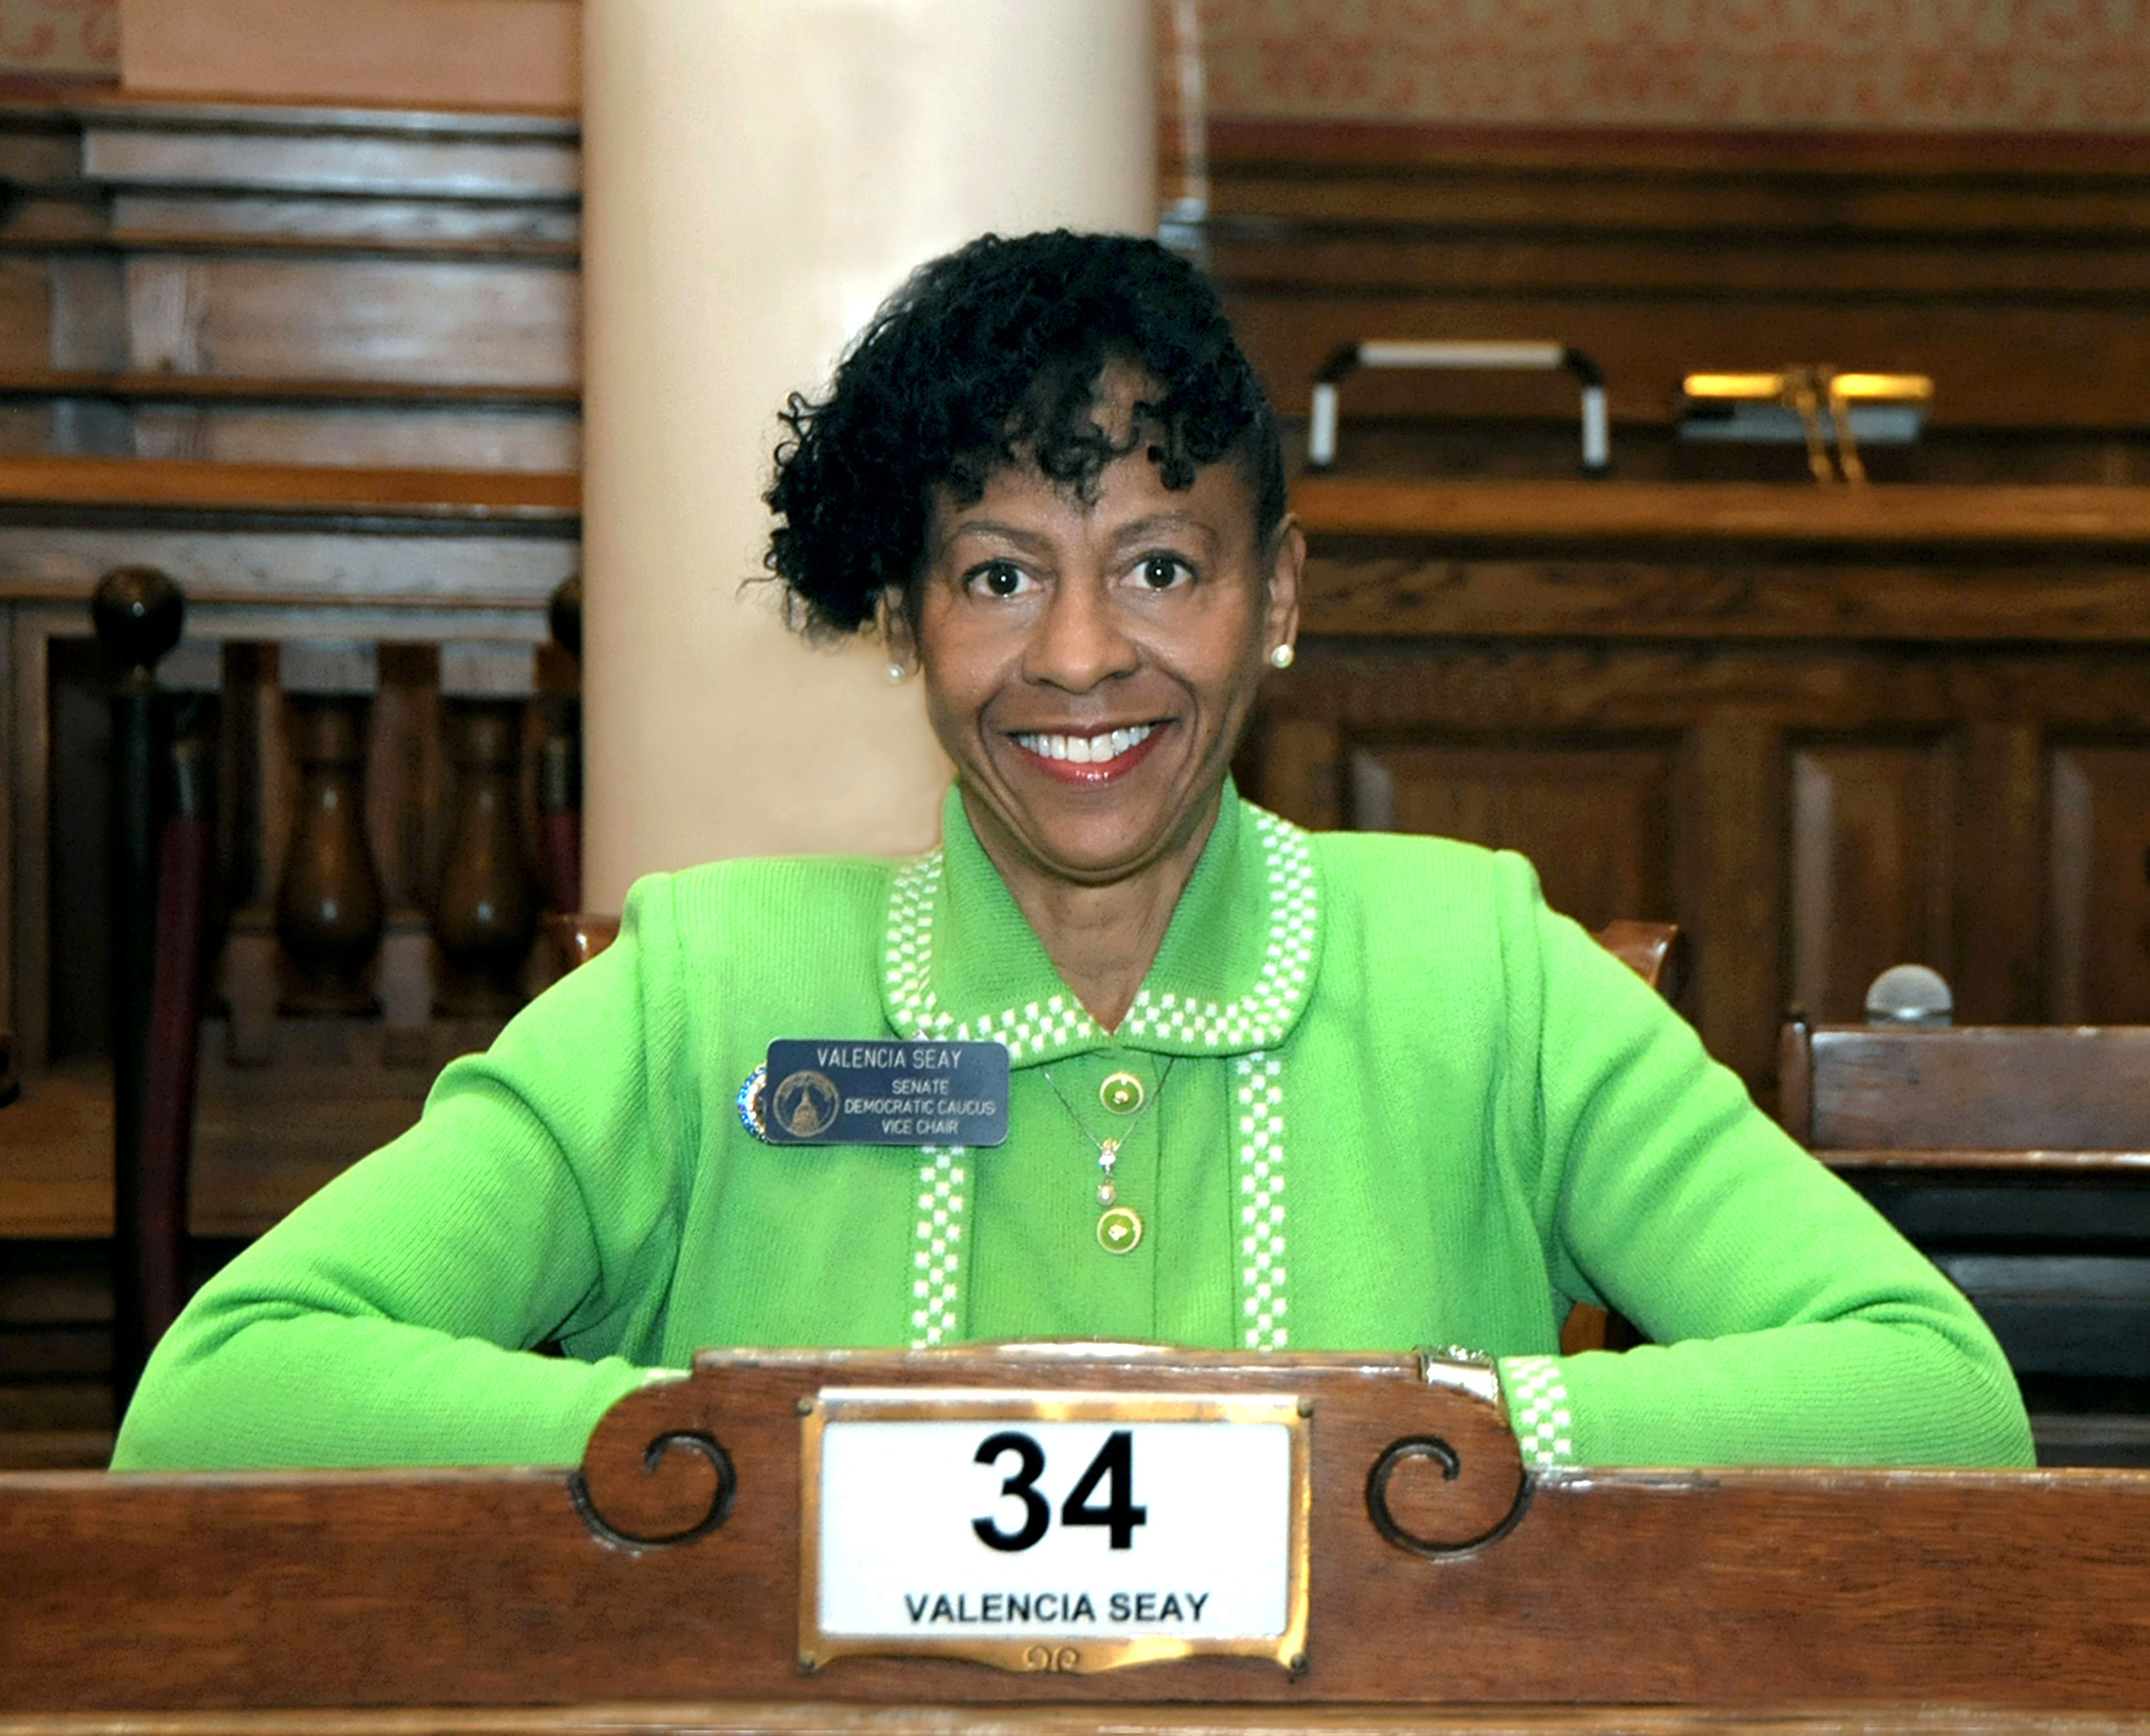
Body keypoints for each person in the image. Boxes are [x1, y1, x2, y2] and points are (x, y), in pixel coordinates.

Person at [112, 230, 2032, 1473]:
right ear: (906, 619)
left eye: (1164, 566)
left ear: (1277, 594)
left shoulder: (1485, 967)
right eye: (1002, 571)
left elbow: (1932, 1394)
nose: (1083, 656)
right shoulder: (712, 990)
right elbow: (222, 1396)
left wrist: (1418, 1432)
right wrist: (770, 1447)